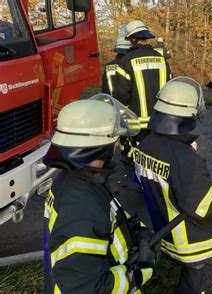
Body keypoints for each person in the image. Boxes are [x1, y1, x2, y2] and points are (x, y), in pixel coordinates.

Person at [133, 77, 212, 293]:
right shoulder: (186, 160)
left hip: (165, 236)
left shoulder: (146, 145)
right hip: (196, 246)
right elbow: (207, 208)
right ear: (191, 115)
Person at [42, 95, 153, 293]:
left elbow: (107, 215)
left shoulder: (78, 178)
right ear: (100, 145)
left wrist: (136, 229)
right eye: (114, 140)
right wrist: (137, 273)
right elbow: (88, 288)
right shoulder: (82, 207)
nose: (116, 145)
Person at [115, 20, 172, 143]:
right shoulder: (161, 59)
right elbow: (170, 87)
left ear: (133, 39)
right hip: (161, 119)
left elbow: (122, 96)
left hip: (138, 123)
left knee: (140, 155)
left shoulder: (126, 61)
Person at [101, 25, 131, 96]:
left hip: (112, 103)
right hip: (126, 105)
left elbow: (104, 89)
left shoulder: (109, 66)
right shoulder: (129, 64)